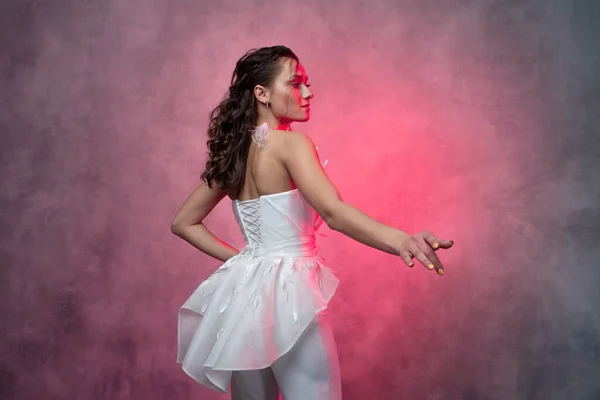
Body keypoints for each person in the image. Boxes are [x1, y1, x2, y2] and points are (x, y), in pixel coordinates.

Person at [170, 45, 454, 400]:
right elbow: (332, 212)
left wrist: (244, 262)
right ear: (262, 94)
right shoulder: (292, 145)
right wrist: (400, 241)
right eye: (296, 83)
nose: (308, 92)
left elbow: (183, 222)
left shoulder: (235, 153)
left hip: (242, 296)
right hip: (291, 294)